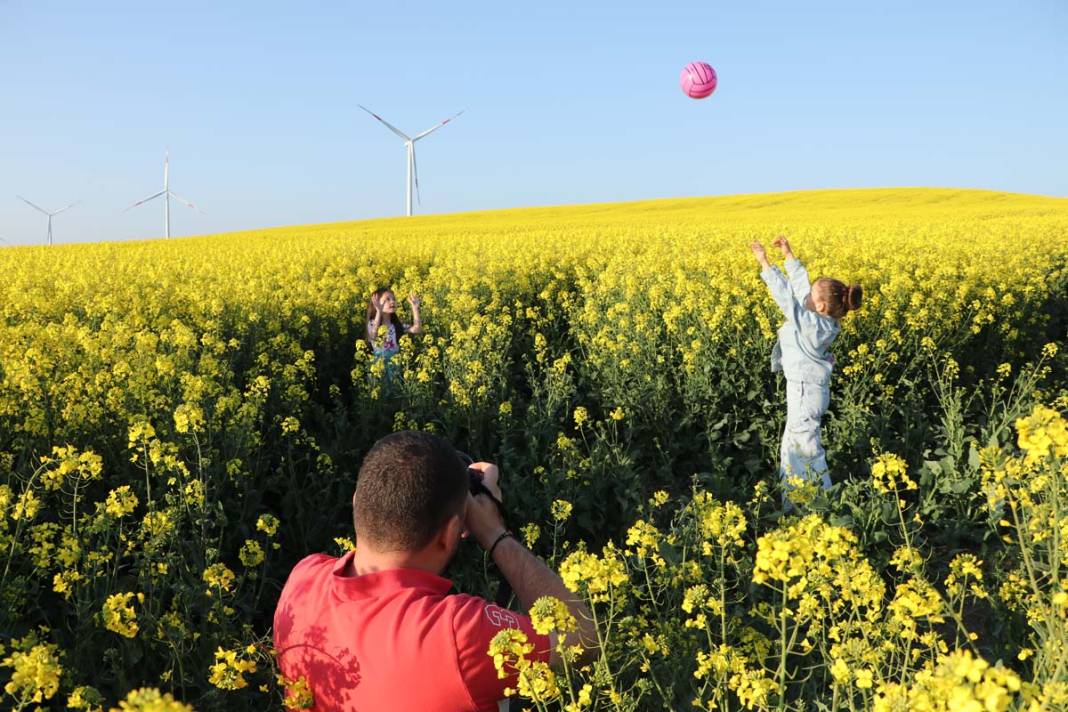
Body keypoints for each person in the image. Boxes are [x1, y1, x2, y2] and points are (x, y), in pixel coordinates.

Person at [273, 431, 598, 711]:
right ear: (449, 534)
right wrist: (494, 533)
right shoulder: (458, 635)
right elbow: (585, 639)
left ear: (358, 501)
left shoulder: (303, 580)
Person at [750, 236, 862, 499]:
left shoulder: (814, 325)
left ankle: (820, 501)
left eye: (812, 296)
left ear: (820, 306)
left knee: (807, 448)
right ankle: (794, 501)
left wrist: (765, 264)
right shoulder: (820, 318)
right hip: (805, 390)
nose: (806, 297)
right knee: (792, 445)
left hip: (805, 393)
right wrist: (789, 257)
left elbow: (789, 300)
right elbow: (801, 291)